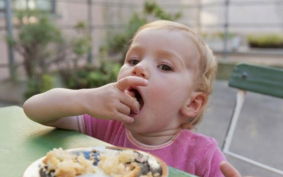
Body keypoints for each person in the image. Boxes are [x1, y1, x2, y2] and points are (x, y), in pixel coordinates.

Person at [24, 20, 231, 177]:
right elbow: (33, 109)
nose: (139, 67)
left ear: (191, 103)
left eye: (164, 66)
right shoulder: (106, 124)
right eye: (133, 60)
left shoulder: (202, 155)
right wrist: (85, 98)